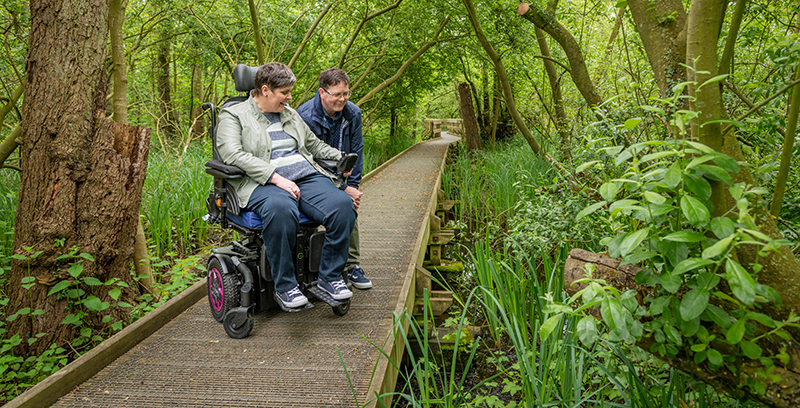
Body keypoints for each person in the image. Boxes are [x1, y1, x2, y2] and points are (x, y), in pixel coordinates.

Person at [216, 62, 356, 308]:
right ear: (266, 89)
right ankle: (285, 286)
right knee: (281, 209)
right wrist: (275, 177)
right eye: (285, 93)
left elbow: (312, 146)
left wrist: (338, 157)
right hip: (260, 182)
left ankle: (330, 278)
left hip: (305, 176)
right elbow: (232, 154)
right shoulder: (234, 114)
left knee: (343, 205)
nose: (290, 97)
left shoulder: (290, 114)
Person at [298, 68, 372, 290]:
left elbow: (357, 150)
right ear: (322, 92)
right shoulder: (305, 116)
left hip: (343, 171)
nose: (343, 99)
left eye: (346, 94)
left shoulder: (352, 113)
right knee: (314, 216)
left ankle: (351, 266)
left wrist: (352, 185)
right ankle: (306, 267)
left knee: (349, 207)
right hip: (313, 176)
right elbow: (307, 158)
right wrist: (339, 187)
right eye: (337, 94)